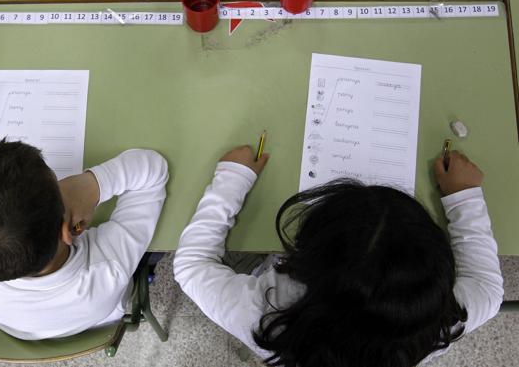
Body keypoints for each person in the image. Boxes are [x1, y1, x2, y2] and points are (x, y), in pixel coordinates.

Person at [174, 145, 503, 367]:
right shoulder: (434, 327)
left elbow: (190, 266)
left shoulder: (266, 317)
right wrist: (464, 198)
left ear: (305, 261)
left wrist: (233, 178)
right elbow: (488, 290)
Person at [0, 80, 169, 340]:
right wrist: (91, 184)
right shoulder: (107, 271)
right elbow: (152, 171)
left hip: (19, 324)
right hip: (104, 312)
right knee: (157, 249)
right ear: (69, 230)